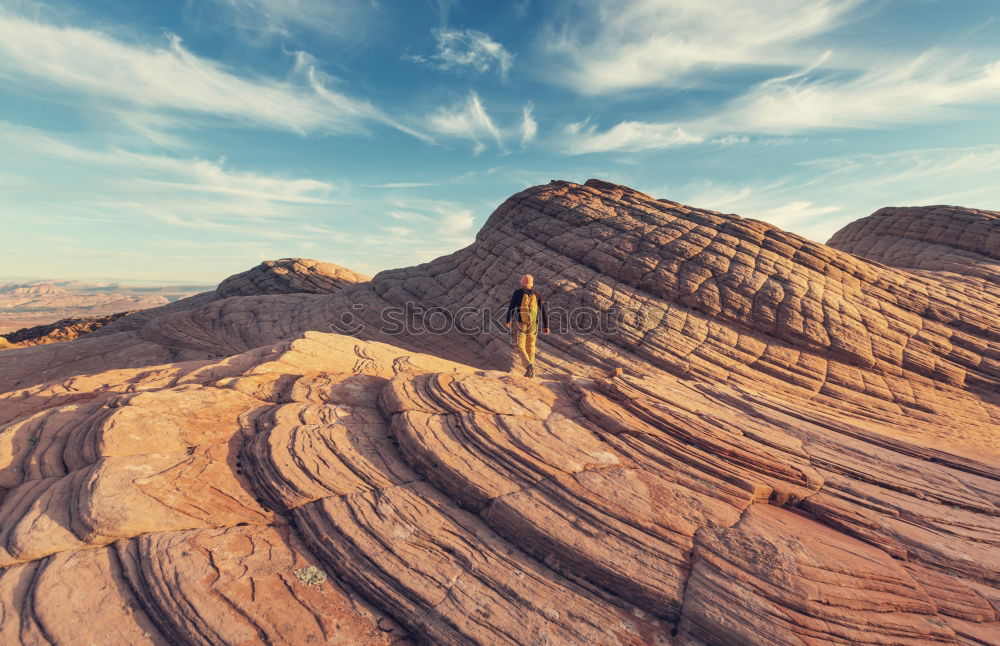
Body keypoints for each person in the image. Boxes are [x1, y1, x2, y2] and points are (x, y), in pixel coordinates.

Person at [504, 274, 549, 377]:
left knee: (519, 346)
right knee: (531, 347)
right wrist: (546, 325)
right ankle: (531, 371)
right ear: (531, 284)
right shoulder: (537, 293)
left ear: (522, 282)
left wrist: (508, 320)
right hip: (533, 325)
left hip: (521, 324)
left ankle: (528, 366)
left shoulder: (518, 293)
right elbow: (544, 310)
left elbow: (511, 307)